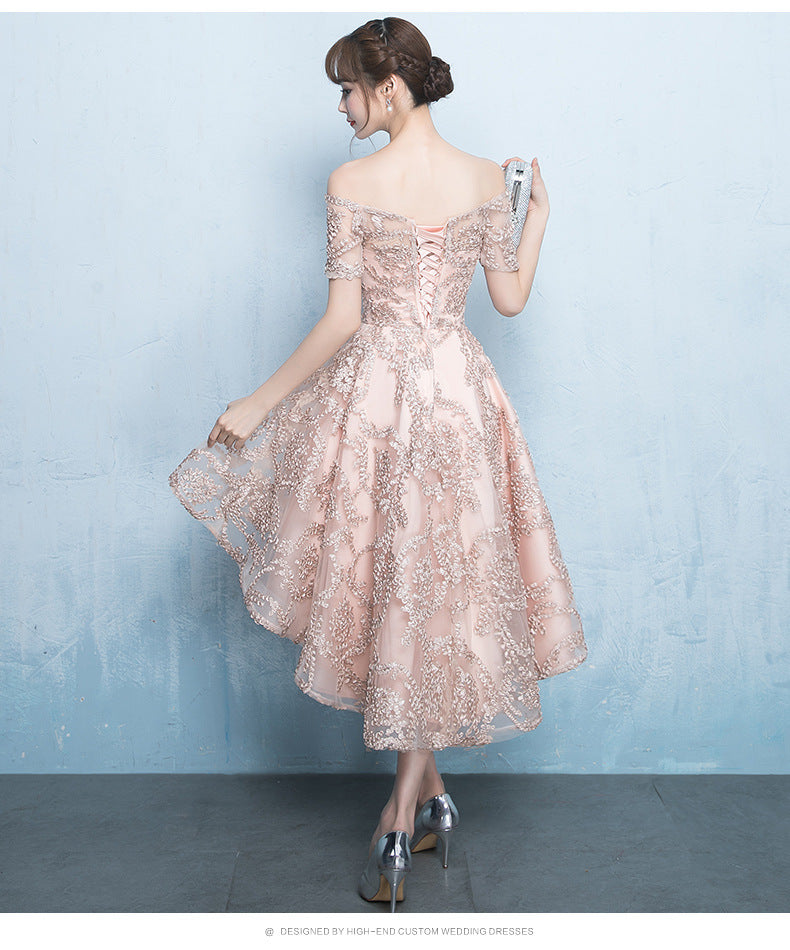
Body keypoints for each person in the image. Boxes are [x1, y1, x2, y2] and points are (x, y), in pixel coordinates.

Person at [168, 16, 588, 912]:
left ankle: (398, 822)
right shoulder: (488, 180)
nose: (343, 107)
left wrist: (257, 404)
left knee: (399, 587)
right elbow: (509, 299)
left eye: (349, 89)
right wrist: (538, 220)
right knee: (420, 592)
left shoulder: (352, 182)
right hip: (462, 399)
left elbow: (343, 322)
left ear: (389, 89)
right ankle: (431, 801)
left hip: (381, 405)